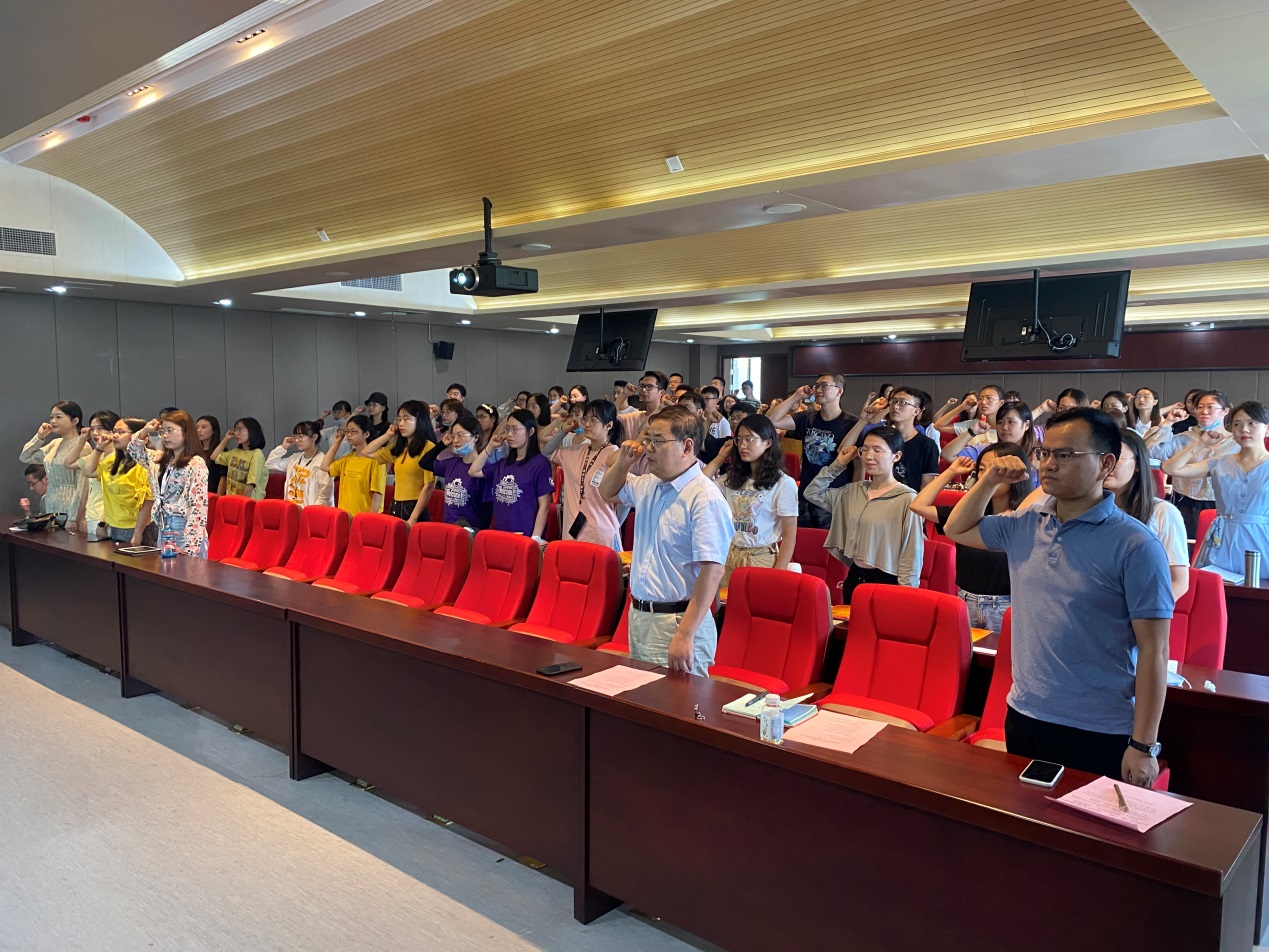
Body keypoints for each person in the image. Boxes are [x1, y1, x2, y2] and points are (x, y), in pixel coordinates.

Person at [943, 408, 1172, 785]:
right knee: (1023, 815)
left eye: (1065, 454)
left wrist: (1144, 745)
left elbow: (1154, 650)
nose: (1049, 464)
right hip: (1026, 714)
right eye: (1044, 453)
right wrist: (989, 480)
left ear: (1105, 464)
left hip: (1098, 727)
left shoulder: (1135, 544)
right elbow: (956, 528)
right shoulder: (1025, 524)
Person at [599, 405, 733, 674]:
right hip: (640, 616)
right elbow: (607, 492)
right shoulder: (649, 483)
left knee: (680, 698)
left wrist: (685, 634)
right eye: (647, 439)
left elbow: (712, 570)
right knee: (642, 696)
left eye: (658, 441)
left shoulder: (704, 497)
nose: (648, 448)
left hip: (678, 621)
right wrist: (624, 462)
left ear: (687, 446)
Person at [911, 445, 1029, 632]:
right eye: (982, 469)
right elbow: (917, 505)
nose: (987, 475)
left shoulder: (1026, 517)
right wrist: (950, 472)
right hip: (965, 601)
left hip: (1007, 606)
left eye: (995, 468)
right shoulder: (966, 517)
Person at [804, 425, 925, 599]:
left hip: (887, 580)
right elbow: (812, 493)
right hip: (855, 576)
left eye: (877, 450)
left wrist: (906, 593)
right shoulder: (853, 491)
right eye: (865, 449)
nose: (868, 456)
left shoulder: (907, 498)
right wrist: (838, 464)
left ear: (896, 456)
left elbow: (911, 552)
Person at [1168, 401, 1269, 584]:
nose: (1244, 430)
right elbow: (1171, 468)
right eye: (1237, 424)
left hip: (1261, 539)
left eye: (1252, 423)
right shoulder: (1220, 462)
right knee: (1216, 590)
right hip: (1222, 537)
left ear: (1267, 428)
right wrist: (1201, 443)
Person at [702, 414, 798, 585]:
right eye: (739, 439)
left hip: (761, 557)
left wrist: (779, 575)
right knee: (727, 601)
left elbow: (789, 535)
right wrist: (720, 457)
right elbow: (698, 484)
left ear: (767, 442)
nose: (743, 445)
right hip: (730, 555)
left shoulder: (783, 483)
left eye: (749, 439)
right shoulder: (733, 478)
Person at [765, 372, 858, 529]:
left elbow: (858, 467)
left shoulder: (851, 424)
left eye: (824, 385)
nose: (818, 389)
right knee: (804, 539)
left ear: (839, 391)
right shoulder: (806, 417)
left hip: (833, 497)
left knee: (829, 542)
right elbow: (770, 420)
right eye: (817, 386)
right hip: (805, 494)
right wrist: (796, 396)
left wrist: (854, 500)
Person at [1146, 389, 1236, 538]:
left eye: (1210, 407)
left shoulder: (1236, 443)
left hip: (1223, 504)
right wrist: (1168, 423)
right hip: (1185, 501)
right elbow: (1148, 450)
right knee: (1186, 544)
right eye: (1199, 407)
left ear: (1225, 411)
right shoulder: (1185, 438)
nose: (1204, 411)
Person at [543, 399, 624, 548]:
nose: (587, 424)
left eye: (593, 420)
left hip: (600, 533)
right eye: (585, 419)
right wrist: (563, 431)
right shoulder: (577, 450)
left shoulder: (614, 454)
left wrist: (617, 523)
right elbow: (547, 452)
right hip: (572, 531)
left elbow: (623, 500)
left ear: (609, 425)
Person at [129, 411, 209, 558]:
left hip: (184, 527)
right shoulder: (161, 458)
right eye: (162, 431)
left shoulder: (195, 463)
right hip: (163, 525)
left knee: (184, 569)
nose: (165, 435)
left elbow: (198, 506)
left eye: (170, 430)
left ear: (186, 432)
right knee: (166, 568)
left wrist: (192, 547)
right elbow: (134, 450)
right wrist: (145, 431)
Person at [468, 408, 553, 537]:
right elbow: (473, 471)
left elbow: (544, 505)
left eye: (515, 429)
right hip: (500, 532)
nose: (509, 434)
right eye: (507, 429)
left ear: (530, 432)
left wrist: (535, 537)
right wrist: (490, 446)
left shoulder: (540, 463)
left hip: (525, 534)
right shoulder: (504, 463)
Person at [360, 400, 437, 524]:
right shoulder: (400, 447)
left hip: (414, 508)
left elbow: (429, 486)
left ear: (420, 421)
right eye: (399, 419)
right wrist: (388, 435)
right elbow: (366, 452)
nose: (401, 423)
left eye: (406, 419)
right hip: (396, 506)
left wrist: (413, 518)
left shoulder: (428, 447)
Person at [82, 417, 154, 544]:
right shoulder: (113, 460)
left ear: (137, 436)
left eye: (121, 432)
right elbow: (88, 471)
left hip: (137, 527)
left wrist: (138, 534)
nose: (115, 435)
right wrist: (99, 449)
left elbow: (147, 503)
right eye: (114, 431)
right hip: (115, 525)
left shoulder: (144, 463)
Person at [854, 387, 940, 492]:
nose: (895, 406)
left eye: (902, 403)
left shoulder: (927, 445)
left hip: (910, 499)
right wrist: (863, 420)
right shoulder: (880, 437)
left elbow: (927, 487)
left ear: (916, 411)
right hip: (877, 496)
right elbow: (845, 450)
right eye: (893, 401)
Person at [20, 400, 86, 517]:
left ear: (75, 421)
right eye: (51, 417)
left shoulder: (82, 446)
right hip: (51, 503)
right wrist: (39, 437)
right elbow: (25, 457)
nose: (53, 421)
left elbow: (82, 486)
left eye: (58, 417)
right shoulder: (55, 443)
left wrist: (74, 517)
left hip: (70, 505)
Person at [421, 416, 488, 529]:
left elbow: (487, 509)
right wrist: (442, 444)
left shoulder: (483, 469)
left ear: (475, 437)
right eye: (453, 436)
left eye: (460, 435)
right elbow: (424, 463)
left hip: (471, 530)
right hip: (449, 527)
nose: (455, 440)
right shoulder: (451, 464)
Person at [60, 410, 119, 532]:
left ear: (113, 430)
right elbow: (68, 463)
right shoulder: (95, 456)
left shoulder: (117, 458)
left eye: (100, 428)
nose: (95, 433)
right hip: (92, 514)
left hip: (108, 517)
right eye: (92, 429)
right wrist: (82, 440)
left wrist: (103, 520)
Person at [319, 415, 386, 516]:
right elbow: (324, 467)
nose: (349, 435)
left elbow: (377, 494)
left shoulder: (376, 460)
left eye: (353, 431)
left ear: (366, 434)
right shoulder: (348, 458)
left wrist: (370, 519)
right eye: (347, 431)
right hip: (344, 516)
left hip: (363, 517)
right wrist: (336, 443)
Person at [265, 420, 332, 507]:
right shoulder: (295, 458)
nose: (296, 440)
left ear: (314, 437)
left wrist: (310, 513)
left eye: (300, 436)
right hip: (291, 509)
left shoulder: (323, 462)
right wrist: (283, 447)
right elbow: (270, 464)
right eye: (295, 436)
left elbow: (324, 496)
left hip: (309, 511)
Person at [212, 417, 268, 500]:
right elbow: (214, 457)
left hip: (249, 502)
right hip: (232, 500)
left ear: (252, 432)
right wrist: (226, 439)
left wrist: (241, 503)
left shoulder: (257, 454)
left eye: (240, 430)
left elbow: (250, 484)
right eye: (235, 430)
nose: (236, 433)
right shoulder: (235, 452)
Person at [195, 415, 229, 492]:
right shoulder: (194, 450)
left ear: (213, 430)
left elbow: (223, 478)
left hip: (212, 493)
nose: (199, 430)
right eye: (197, 427)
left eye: (204, 427)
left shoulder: (221, 451)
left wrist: (218, 497)